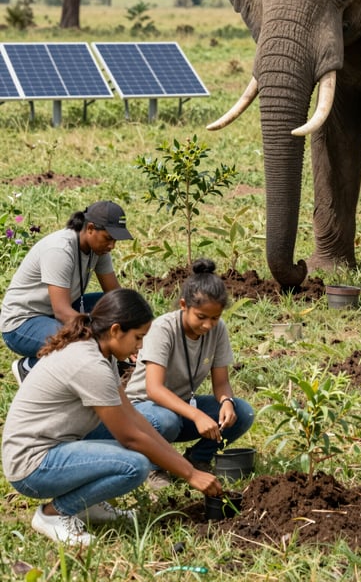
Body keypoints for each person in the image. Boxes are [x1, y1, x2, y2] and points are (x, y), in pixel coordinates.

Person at [1, 289, 222, 547]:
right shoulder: (89, 364)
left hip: (55, 447)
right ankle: (54, 514)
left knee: (142, 448)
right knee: (134, 465)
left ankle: (87, 506)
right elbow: (129, 437)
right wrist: (190, 474)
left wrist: (188, 469)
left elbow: (134, 418)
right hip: (32, 464)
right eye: (138, 338)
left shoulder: (99, 353)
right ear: (116, 330)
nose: (139, 347)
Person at [125, 259, 254, 487]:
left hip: (181, 407)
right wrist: (196, 416)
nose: (208, 325)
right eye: (201, 317)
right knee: (167, 421)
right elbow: (154, 389)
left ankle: (196, 460)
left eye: (215, 318)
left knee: (242, 412)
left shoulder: (218, 330)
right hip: (143, 410)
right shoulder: (162, 329)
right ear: (184, 305)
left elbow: (221, 382)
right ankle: (153, 468)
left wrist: (226, 402)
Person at [1, 200, 133, 383]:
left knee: (117, 306)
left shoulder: (99, 249)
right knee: (83, 342)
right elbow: (62, 311)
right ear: (90, 228)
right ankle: (30, 367)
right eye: (109, 238)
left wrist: (133, 336)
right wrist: (103, 336)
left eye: (115, 240)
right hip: (23, 322)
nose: (112, 246)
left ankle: (111, 363)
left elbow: (117, 296)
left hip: (56, 312)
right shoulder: (60, 249)